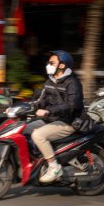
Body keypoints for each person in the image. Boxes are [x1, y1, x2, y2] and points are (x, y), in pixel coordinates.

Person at [25, 50, 84, 183]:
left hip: (68, 121)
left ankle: (54, 166)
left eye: (52, 63)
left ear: (62, 66)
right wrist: (24, 108)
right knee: (23, 129)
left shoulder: (72, 83)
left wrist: (48, 111)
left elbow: (71, 105)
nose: (48, 65)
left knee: (38, 135)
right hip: (52, 119)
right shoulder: (50, 81)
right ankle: (36, 161)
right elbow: (41, 101)